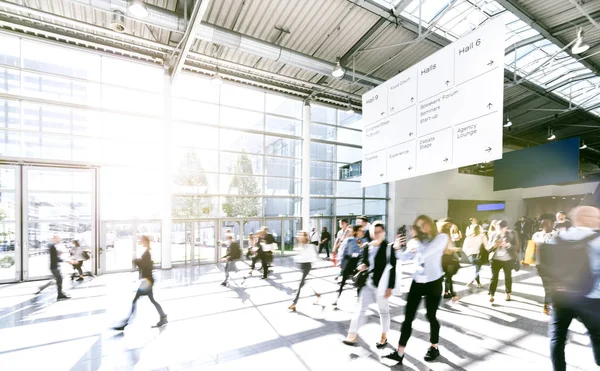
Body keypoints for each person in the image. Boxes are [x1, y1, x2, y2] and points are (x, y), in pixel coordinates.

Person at [385, 216, 449, 365]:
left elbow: (427, 253)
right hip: (417, 282)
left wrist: (416, 243)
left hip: (434, 282)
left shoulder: (441, 237)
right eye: (419, 226)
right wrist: (397, 248)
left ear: (430, 225)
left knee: (430, 315)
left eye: (424, 225)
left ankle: (434, 346)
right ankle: (399, 352)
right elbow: (404, 257)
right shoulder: (415, 242)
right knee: (408, 318)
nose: (422, 228)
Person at [546, 206, 600, 371]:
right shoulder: (597, 240)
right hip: (592, 297)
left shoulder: (558, 237)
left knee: (557, 337)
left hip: (562, 296)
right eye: (597, 217)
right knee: (597, 334)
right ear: (588, 219)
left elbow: (547, 265)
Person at [343, 222, 394, 349]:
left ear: (383, 232)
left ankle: (384, 335)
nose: (376, 234)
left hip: (381, 285)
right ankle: (352, 334)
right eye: (374, 231)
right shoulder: (367, 246)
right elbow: (362, 260)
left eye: (379, 231)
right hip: (367, 283)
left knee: (383, 312)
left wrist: (390, 287)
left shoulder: (388, 247)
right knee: (360, 308)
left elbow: (393, 268)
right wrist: (361, 265)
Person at [114, 236, 167, 330]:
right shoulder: (147, 252)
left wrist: (136, 261)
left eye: (142, 241)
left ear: (146, 242)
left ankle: (125, 323)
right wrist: (138, 261)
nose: (141, 242)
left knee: (135, 300)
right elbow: (146, 264)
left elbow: (146, 266)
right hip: (148, 280)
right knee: (151, 300)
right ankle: (163, 317)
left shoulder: (147, 253)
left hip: (147, 281)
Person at [487, 220, 519, 303]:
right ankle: (491, 294)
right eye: (498, 228)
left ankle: (507, 293)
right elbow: (488, 248)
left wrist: (508, 245)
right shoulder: (493, 234)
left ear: (506, 227)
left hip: (508, 260)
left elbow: (517, 247)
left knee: (508, 277)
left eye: (502, 228)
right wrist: (494, 245)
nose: (500, 230)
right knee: (494, 277)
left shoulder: (512, 234)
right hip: (495, 259)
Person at [289, 231, 320, 311]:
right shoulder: (300, 246)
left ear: (305, 237)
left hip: (307, 266)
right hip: (302, 266)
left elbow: (314, 257)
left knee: (300, 284)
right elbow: (299, 256)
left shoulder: (310, 246)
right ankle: (317, 294)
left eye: (301, 235)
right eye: (299, 235)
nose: (299, 237)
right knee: (305, 283)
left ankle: (294, 303)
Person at [531, 219, 557, 315]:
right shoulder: (536, 235)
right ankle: (548, 304)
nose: (545, 226)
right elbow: (531, 248)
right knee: (548, 285)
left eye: (547, 224)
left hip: (554, 264)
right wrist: (528, 260)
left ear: (551, 224)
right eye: (543, 224)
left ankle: (547, 304)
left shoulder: (557, 235)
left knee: (549, 285)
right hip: (540, 264)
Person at [333, 225, 363, 307]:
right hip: (349, 261)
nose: (362, 232)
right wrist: (341, 263)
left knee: (359, 281)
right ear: (356, 231)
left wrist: (361, 248)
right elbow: (343, 251)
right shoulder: (349, 240)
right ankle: (336, 299)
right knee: (343, 282)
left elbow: (363, 253)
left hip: (357, 262)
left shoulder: (362, 241)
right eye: (360, 230)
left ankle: (359, 301)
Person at [441, 221, 462, 301]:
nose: (452, 228)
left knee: (448, 276)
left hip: (445, 258)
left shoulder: (443, 236)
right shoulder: (446, 237)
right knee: (448, 277)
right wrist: (454, 249)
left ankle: (446, 293)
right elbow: (446, 250)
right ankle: (452, 294)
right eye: (450, 227)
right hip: (447, 258)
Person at [462, 224, 487, 290]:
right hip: (478, 255)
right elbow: (486, 246)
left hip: (470, 256)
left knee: (477, 269)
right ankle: (472, 281)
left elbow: (464, 248)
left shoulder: (468, 237)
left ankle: (478, 283)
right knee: (477, 269)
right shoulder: (482, 236)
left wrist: (468, 254)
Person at [46, 235, 70, 300]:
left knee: (59, 279)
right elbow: (55, 258)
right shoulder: (53, 247)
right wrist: (67, 261)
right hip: (54, 267)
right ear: (54, 239)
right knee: (59, 279)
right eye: (58, 238)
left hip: (55, 266)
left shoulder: (54, 247)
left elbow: (55, 257)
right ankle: (60, 294)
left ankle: (60, 293)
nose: (59, 239)